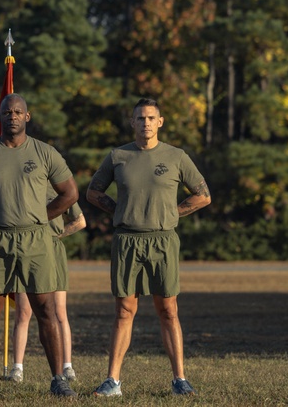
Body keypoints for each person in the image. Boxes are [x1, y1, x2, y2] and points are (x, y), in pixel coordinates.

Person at [0, 93, 80, 399]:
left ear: (27, 116)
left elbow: (70, 193)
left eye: (18, 112)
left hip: (36, 240)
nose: (12, 116)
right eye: (6, 112)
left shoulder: (45, 152)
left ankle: (58, 379)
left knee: (45, 309)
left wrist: (41, 217)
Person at [85, 98, 211, 398]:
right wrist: (118, 211)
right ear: (132, 122)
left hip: (163, 240)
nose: (145, 123)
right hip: (127, 240)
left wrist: (172, 213)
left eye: (151, 118)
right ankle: (112, 381)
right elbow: (92, 191)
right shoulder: (118, 156)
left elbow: (203, 195)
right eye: (140, 118)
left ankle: (180, 379)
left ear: (161, 121)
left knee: (168, 310)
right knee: (125, 310)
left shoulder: (176, 156)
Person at [9, 191, 86, 384]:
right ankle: (17, 368)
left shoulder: (59, 188)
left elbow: (80, 221)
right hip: (28, 247)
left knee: (59, 312)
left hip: (53, 249)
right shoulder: (24, 184)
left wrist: (57, 234)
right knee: (23, 312)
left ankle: (67, 366)